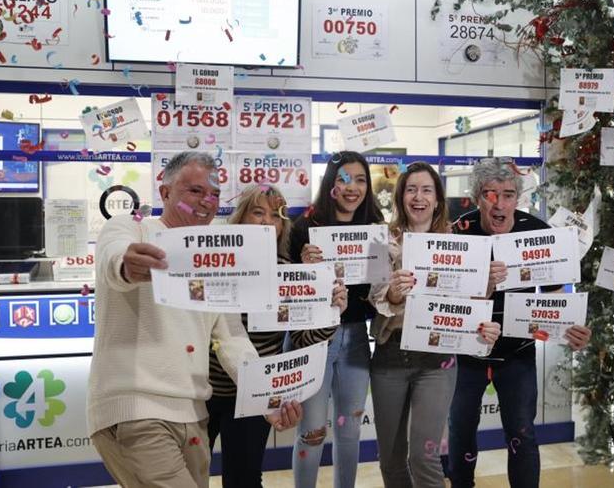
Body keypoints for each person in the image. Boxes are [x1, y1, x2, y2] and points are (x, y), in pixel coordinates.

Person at [87, 152, 301, 488]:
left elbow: (232, 338)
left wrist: (266, 398)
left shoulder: (215, 260)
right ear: (166, 192)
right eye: (195, 191)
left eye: (214, 194)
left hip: (193, 415)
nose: (207, 201)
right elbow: (114, 255)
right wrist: (126, 265)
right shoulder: (133, 229)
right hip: (138, 411)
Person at [447, 157, 591, 488]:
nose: (500, 203)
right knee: (461, 433)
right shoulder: (459, 231)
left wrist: (574, 328)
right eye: (490, 194)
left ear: (518, 198)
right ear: (477, 197)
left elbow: (557, 296)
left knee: (522, 434)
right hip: (467, 356)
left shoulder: (538, 230)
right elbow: (445, 300)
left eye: (508, 194)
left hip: (518, 353)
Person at [368, 161, 501, 488]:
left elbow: (471, 304)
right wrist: (395, 296)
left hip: (436, 361)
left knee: (424, 457)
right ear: (400, 197)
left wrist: (488, 286)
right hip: (390, 355)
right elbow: (375, 295)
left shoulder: (460, 244)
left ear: (438, 199)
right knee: (391, 457)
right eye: (411, 189)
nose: (418, 197)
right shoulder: (381, 240)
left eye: (427, 189)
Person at [206, 184, 348, 488]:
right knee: (185, 476)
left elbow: (302, 339)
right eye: (258, 212)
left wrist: (330, 314)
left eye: (276, 215)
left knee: (243, 479)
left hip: (253, 395)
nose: (267, 221)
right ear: (241, 218)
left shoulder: (287, 270)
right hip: (202, 390)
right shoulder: (213, 262)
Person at [290, 151, 384, 488]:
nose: (352, 187)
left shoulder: (376, 227)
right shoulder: (305, 227)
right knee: (312, 432)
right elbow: (285, 292)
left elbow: (380, 292)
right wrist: (304, 269)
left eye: (360, 180)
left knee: (350, 431)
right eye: (344, 179)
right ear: (331, 184)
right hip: (314, 339)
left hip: (357, 337)